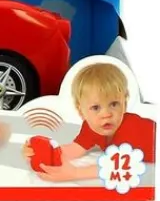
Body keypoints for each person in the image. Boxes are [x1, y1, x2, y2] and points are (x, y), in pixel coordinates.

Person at [23, 62, 155, 182]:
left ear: (124, 104)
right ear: (81, 111)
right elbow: (74, 149)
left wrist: (75, 173)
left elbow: (115, 166)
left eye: (114, 104)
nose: (106, 114)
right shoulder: (91, 126)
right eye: (96, 108)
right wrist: (42, 150)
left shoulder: (129, 128)